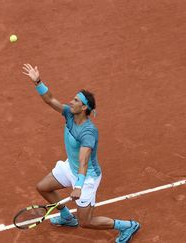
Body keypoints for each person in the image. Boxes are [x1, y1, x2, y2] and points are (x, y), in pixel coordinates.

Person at [22, 64, 140, 243]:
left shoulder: (88, 132)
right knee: (43, 187)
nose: (71, 101)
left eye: (76, 100)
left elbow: (84, 161)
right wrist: (38, 81)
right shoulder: (69, 113)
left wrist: (78, 186)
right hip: (71, 167)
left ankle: (127, 226)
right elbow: (50, 100)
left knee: (85, 222)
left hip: (87, 178)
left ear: (84, 108)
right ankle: (67, 217)